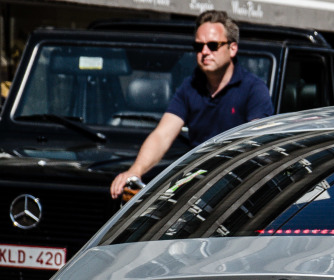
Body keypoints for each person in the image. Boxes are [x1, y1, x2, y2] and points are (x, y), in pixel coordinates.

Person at [110, 11, 273, 198]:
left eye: (213, 45)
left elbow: (256, 145)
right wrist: (135, 171)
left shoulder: (254, 89)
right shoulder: (190, 87)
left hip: (239, 190)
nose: (204, 52)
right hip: (197, 187)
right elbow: (162, 135)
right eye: (198, 46)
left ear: (233, 48)